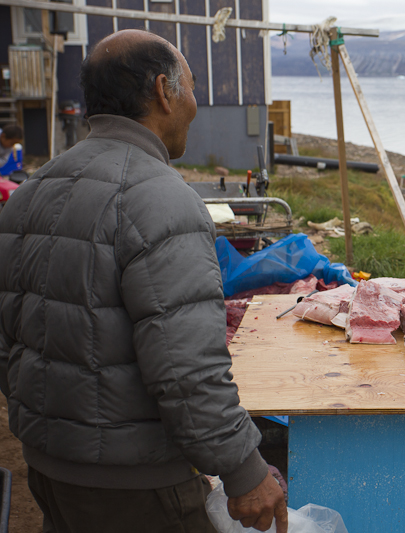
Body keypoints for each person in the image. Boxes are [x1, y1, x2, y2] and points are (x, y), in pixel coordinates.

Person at [0, 30, 287, 533]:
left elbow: (9, 342)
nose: (195, 104)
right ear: (163, 91)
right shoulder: (160, 199)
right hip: (135, 489)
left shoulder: (29, 193)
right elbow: (186, 370)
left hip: (49, 469)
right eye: (192, 88)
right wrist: (245, 470)